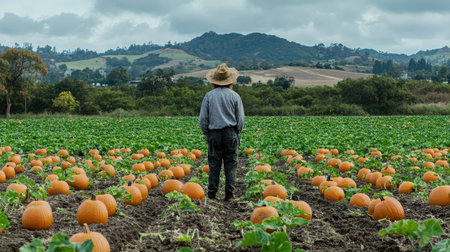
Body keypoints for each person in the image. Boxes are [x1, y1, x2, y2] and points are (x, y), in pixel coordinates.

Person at [199, 63, 245, 201]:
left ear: (214, 81)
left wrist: (207, 133)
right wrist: (236, 132)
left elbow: (203, 119)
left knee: (214, 164)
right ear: (230, 81)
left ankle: (212, 194)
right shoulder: (235, 96)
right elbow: (240, 119)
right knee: (231, 164)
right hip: (230, 133)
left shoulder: (209, 96)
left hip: (214, 134)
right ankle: (229, 195)